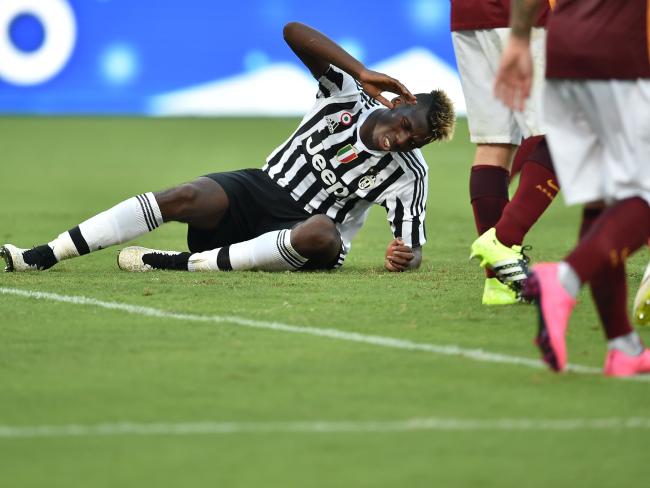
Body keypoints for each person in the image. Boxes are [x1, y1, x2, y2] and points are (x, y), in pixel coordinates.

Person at [1, 22, 455, 275]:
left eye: (414, 141)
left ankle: (180, 265)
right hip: (260, 189)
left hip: (300, 238)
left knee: (323, 231)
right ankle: (44, 254)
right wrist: (361, 70)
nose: (399, 140)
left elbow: (411, 249)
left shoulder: (409, 174)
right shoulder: (345, 95)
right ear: (399, 101)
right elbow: (293, 31)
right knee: (185, 195)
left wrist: (404, 258)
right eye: (404, 126)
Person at [495, 0, 650, 376]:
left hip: (563, 54)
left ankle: (622, 346)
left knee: (601, 204)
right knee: (641, 200)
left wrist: (518, 38)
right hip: (621, 59)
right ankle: (564, 278)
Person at [450, 0, 560, 306]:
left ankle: (500, 284)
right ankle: (504, 239)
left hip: (467, 14)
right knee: (568, 131)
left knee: (494, 143)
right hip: (523, 14)